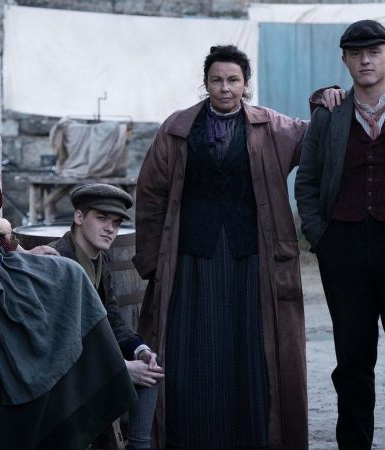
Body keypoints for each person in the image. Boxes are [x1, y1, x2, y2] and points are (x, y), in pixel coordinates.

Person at [0, 45, 137, 450]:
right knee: (69, 278)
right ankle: (101, 390)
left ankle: (108, 390)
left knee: (66, 274)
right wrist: (4, 227)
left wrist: (19, 250)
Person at [133, 44, 309, 449]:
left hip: (250, 258)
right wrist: (152, 261)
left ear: (246, 84)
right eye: (217, 80)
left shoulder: (269, 126)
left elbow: (311, 136)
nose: (225, 88)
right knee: (193, 347)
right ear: (205, 83)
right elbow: (152, 192)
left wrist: (326, 99)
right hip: (192, 258)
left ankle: (249, 436)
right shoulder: (177, 128)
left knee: (250, 347)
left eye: (233, 80)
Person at [295, 20, 385, 449]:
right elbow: (307, 182)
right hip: (342, 250)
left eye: (374, 52)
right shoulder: (328, 115)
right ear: (344, 60)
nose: (366, 61)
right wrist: (322, 238)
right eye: (357, 54)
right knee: (352, 361)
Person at [51, 183, 164, 449]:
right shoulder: (57, 261)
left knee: (151, 368)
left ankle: (139, 445)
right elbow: (62, 341)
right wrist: (120, 368)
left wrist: (139, 350)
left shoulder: (101, 260)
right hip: (62, 373)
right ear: (79, 217)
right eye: (101, 218)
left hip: (90, 360)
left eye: (116, 222)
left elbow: (110, 314)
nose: (110, 228)